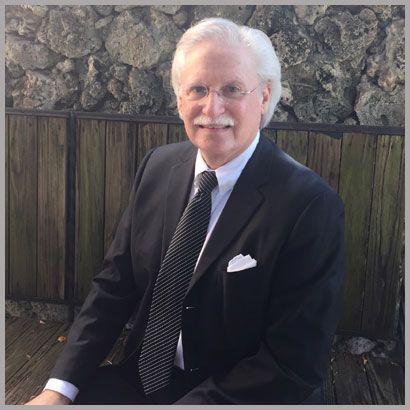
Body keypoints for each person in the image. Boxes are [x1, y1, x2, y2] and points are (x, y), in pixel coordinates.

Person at [26, 17, 345, 405]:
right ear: (180, 100)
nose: (213, 107)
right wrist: (58, 389)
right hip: (144, 380)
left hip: (246, 394)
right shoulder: (158, 167)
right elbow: (114, 286)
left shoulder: (309, 205)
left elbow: (293, 364)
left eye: (231, 88)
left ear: (263, 96)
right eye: (198, 89)